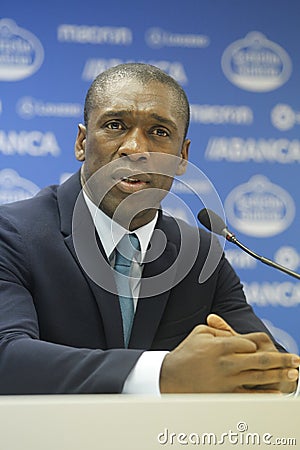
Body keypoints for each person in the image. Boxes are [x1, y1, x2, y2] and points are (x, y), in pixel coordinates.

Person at [0, 63, 298, 395]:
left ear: (182, 157)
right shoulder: (12, 235)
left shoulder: (199, 255)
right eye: (115, 125)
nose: (136, 149)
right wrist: (162, 373)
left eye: (158, 132)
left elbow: (270, 367)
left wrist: (277, 376)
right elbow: (6, 356)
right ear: (82, 143)